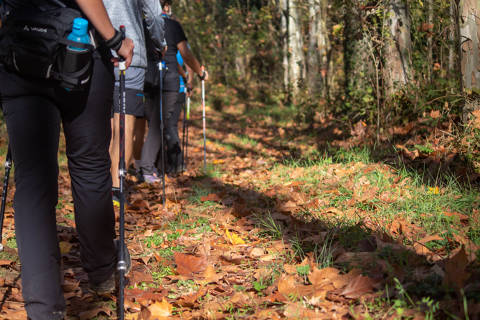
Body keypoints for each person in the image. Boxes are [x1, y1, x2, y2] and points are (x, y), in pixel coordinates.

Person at [0, 0, 134, 319]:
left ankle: (43, 309)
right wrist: (114, 39)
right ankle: (101, 270)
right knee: (89, 165)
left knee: (32, 185)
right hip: (79, 50)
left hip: (19, 51)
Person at [103, 0, 166, 205]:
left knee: (100, 123)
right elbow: (155, 15)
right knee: (123, 126)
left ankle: (95, 186)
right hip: (130, 56)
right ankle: (115, 189)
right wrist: (159, 43)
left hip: (94, 49)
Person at [140, 0, 208, 181]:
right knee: (159, 125)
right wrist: (200, 72)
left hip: (146, 77)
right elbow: (185, 53)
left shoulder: (142, 23)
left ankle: (159, 167)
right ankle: (147, 168)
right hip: (167, 79)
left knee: (156, 124)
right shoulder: (172, 25)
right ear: (167, 6)